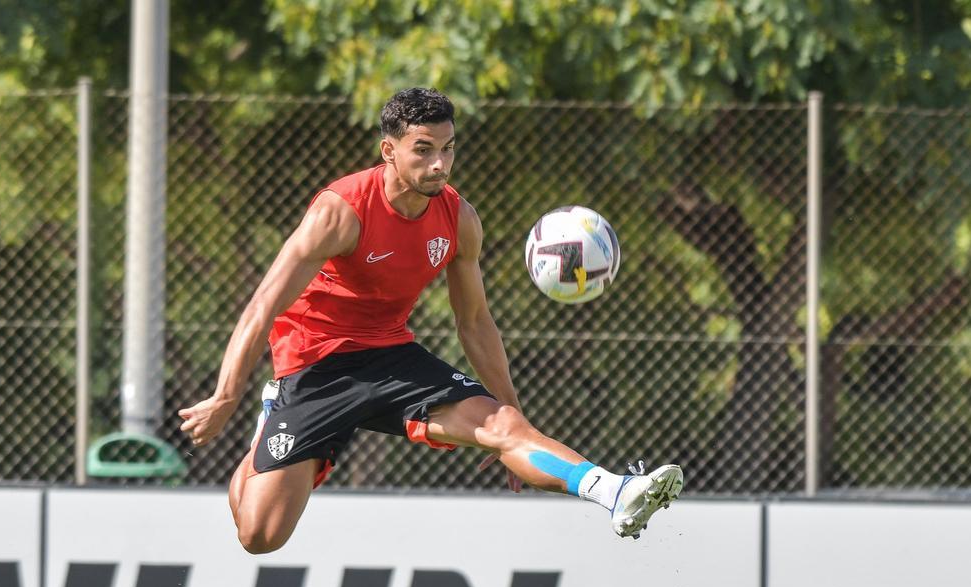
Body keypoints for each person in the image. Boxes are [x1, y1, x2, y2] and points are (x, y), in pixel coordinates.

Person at [179, 87, 682, 554]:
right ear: (388, 151)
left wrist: (511, 418)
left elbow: (475, 322)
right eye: (423, 149)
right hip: (317, 367)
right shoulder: (341, 212)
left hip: (393, 357)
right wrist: (227, 394)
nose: (439, 163)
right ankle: (271, 423)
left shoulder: (459, 219)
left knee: (503, 425)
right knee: (259, 535)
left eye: (448, 148)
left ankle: (617, 492)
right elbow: (262, 304)